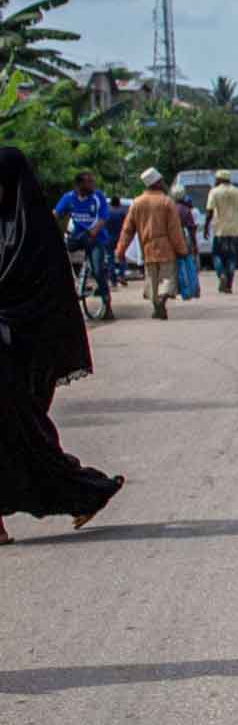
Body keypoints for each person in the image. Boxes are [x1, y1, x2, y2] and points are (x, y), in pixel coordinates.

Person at [0, 148, 126, 545]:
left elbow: (45, 302)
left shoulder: (36, 236)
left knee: (23, 440)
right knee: (16, 441)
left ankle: (85, 491)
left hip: (19, 356)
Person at [114, 169, 188, 320]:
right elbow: (175, 230)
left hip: (147, 249)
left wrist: (120, 251)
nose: (164, 183)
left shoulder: (137, 203)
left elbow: (127, 230)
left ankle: (156, 306)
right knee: (167, 279)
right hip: (167, 250)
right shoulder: (167, 202)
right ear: (157, 183)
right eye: (162, 181)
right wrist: (182, 249)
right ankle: (162, 300)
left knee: (152, 280)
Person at [54, 169, 118, 320]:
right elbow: (56, 214)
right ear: (79, 185)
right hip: (77, 237)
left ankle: (107, 304)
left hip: (96, 239)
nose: (93, 184)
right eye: (89, 182)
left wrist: (93, 232)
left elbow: (103, 218)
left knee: (97, 271)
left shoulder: (98, 196)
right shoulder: (69, 198)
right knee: (57, 258)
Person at [204, 172, 238, 294]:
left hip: (219, 230)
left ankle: (222, 274)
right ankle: (229, 285)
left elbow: (209, 212)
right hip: (235, 231)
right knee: (232, 257)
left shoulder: (214, 192)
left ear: (219, 179)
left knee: (217, 255)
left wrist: (206, 227)